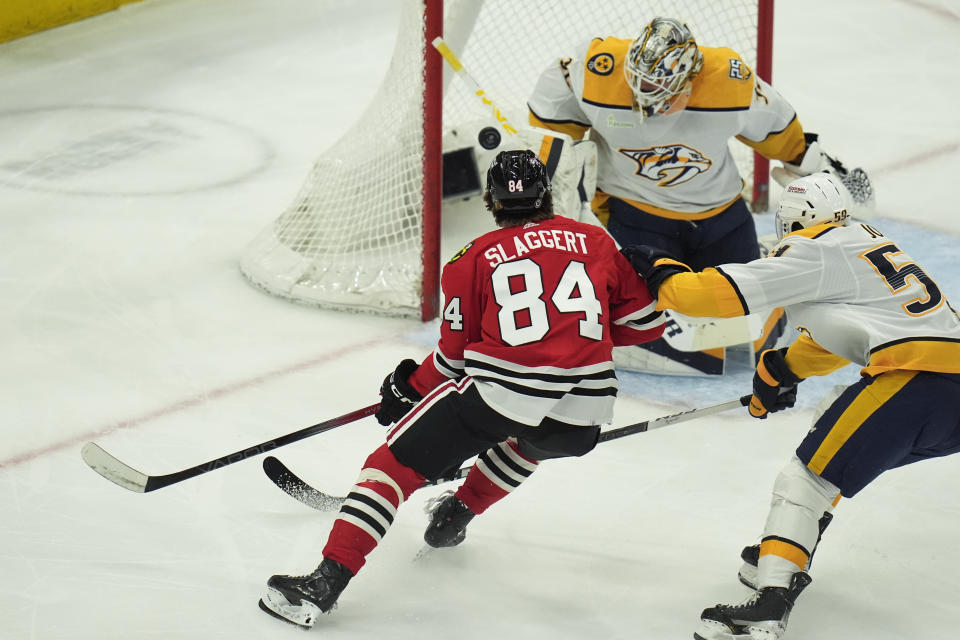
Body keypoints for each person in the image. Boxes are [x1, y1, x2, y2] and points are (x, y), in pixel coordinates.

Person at [258, 149, 665, 628]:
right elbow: (645, 327)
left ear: (491, 200)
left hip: (502, 394)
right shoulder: (596, 242)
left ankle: (322, 586)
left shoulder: (470, 259)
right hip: (586, 411)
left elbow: (452, 361)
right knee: (531, 440)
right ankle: (457, 514)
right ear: (547, 196)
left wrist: (406, 387)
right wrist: (649, 278)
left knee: (389, 468)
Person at [621, 172, 960, 640]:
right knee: (830, 444)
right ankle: (787, 548)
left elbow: (715, 296)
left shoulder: (815, 247)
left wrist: (660, 271)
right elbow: (847, 327)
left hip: (918, 379)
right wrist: (782, 368)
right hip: (947, 397)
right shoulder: (865, 242)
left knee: (805, 479)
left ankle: (770, 602)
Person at [527, 16, 872, 374]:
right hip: (636, 215)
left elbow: (778, 130)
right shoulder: (599, 71)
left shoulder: (729, 83)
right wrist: (546, 168)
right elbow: (554, 108)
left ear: (692, 78)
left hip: (720, 217)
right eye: (640, 86)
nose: (649, 106)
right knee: (642, 319)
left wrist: (813, 165)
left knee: (746, 321)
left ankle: (759, 255)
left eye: (663, 94)